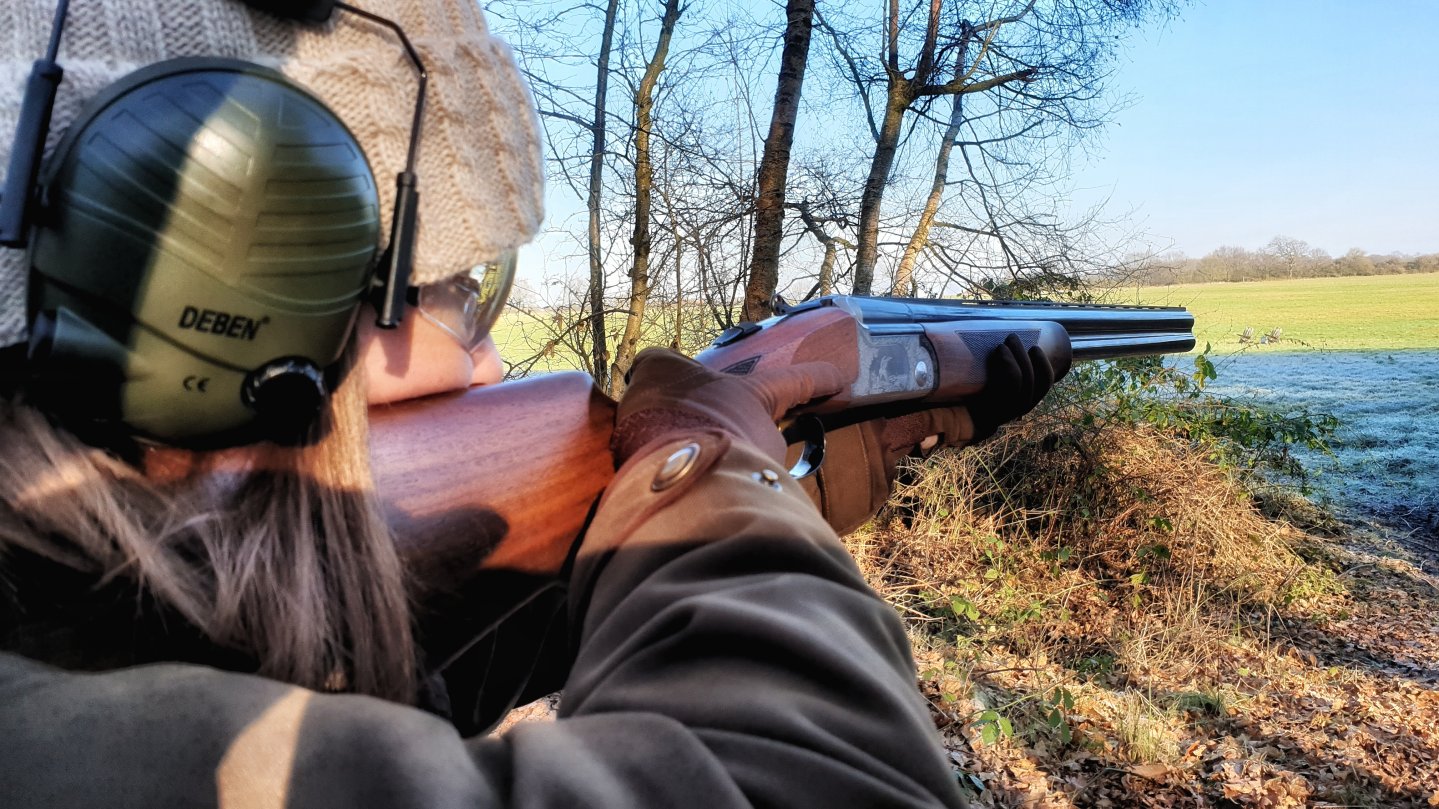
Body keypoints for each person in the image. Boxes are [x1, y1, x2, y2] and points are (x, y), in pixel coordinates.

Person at [0, 1, 1050, 806]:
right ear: (242, 306)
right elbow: (825, 776)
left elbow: (486, 633)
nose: (496, 359)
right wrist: (704, 456)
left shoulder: (120, 624)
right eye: (464, 293)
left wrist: (794, 465)